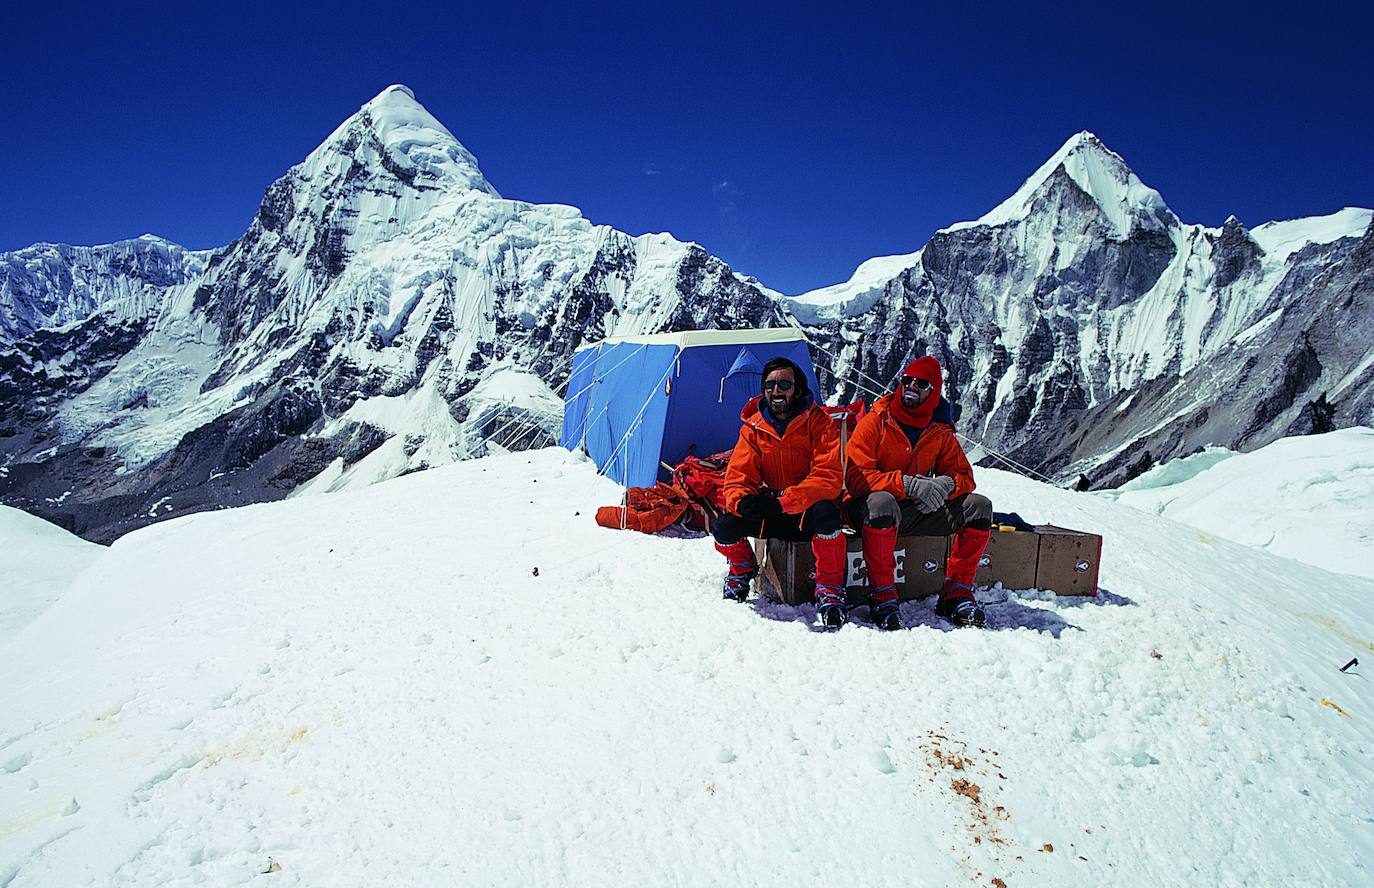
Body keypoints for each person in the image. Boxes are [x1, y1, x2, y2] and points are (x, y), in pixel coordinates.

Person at [846, 356, 993, 629]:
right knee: (882, 502)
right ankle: (882, 595)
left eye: (922, 383)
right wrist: (910, 485)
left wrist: (945, 487)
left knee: (979, 507)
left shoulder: (939, 431)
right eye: (907, 380)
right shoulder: (876, 420)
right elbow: (855, 477)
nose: (912, 385)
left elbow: (965, 477)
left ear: (933, 392)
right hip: (867, 510)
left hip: (914, 511)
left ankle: (956, 592)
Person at [712, 357, 848, 628]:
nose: (776, 391)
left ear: (797, 389)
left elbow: (828, 477)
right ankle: (742, 568)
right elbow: (737, 477)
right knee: (724, 525)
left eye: (784, 384)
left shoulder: (819, 423)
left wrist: (786, 502)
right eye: (770, 385)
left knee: (828, 515)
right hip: (772, 511)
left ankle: (830, 589)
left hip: (803, 512)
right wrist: (742, 501)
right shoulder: (753, 428)